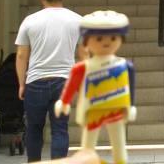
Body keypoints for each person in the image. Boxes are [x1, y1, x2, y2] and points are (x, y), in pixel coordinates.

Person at [54, 10, 137, 164]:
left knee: (119, 144)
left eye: (113, 38)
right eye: (99, 38)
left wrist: (131, 105)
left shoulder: (124, 65)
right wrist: (64, 101)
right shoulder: (83, 68)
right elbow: (72, 84)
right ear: (86, 41)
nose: (106, 42)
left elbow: (130, 86)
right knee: (88, 147)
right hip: (92, 111)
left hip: (115, 109)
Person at [15, 0, 84, 162]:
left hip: (35, 81)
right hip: (64, 82)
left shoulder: (30, 21)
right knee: (60, 129)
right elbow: (84, 54)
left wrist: (21, 83)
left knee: (34, 128)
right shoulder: (77, 20)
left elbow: (21, 55)